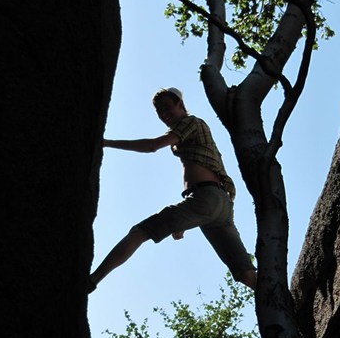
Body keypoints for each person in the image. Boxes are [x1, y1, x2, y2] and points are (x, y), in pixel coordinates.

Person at [89, 87, 257, 293]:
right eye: (159, 111)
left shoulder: (190, 122)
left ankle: (91, 281)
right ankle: (286, 307)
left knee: (139, 232)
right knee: (246, 274)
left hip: (207, 198)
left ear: (180, 105)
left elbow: (152, 146)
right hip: (220, 206)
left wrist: (105, 143)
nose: (164, 114)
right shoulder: (193, 130)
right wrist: (187, 220)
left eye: (167, 107)